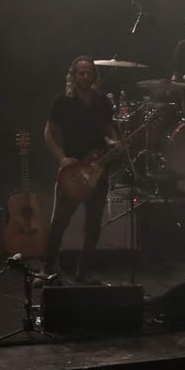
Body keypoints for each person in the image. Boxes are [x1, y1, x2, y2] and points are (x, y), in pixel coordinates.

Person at [42, 56, 122, 284]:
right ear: (74, 75)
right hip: (73, 169)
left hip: (98, 169)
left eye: (89, 73)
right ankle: (47, 269)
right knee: (59, 221)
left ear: (94, 76)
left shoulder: (103, 103)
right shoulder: (62, 101)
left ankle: (83, 272)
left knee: (94, 222)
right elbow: (48, 133)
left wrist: (114, 144)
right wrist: (62, 158)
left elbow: (109, 133)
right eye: (81, 73)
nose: (85, 77)